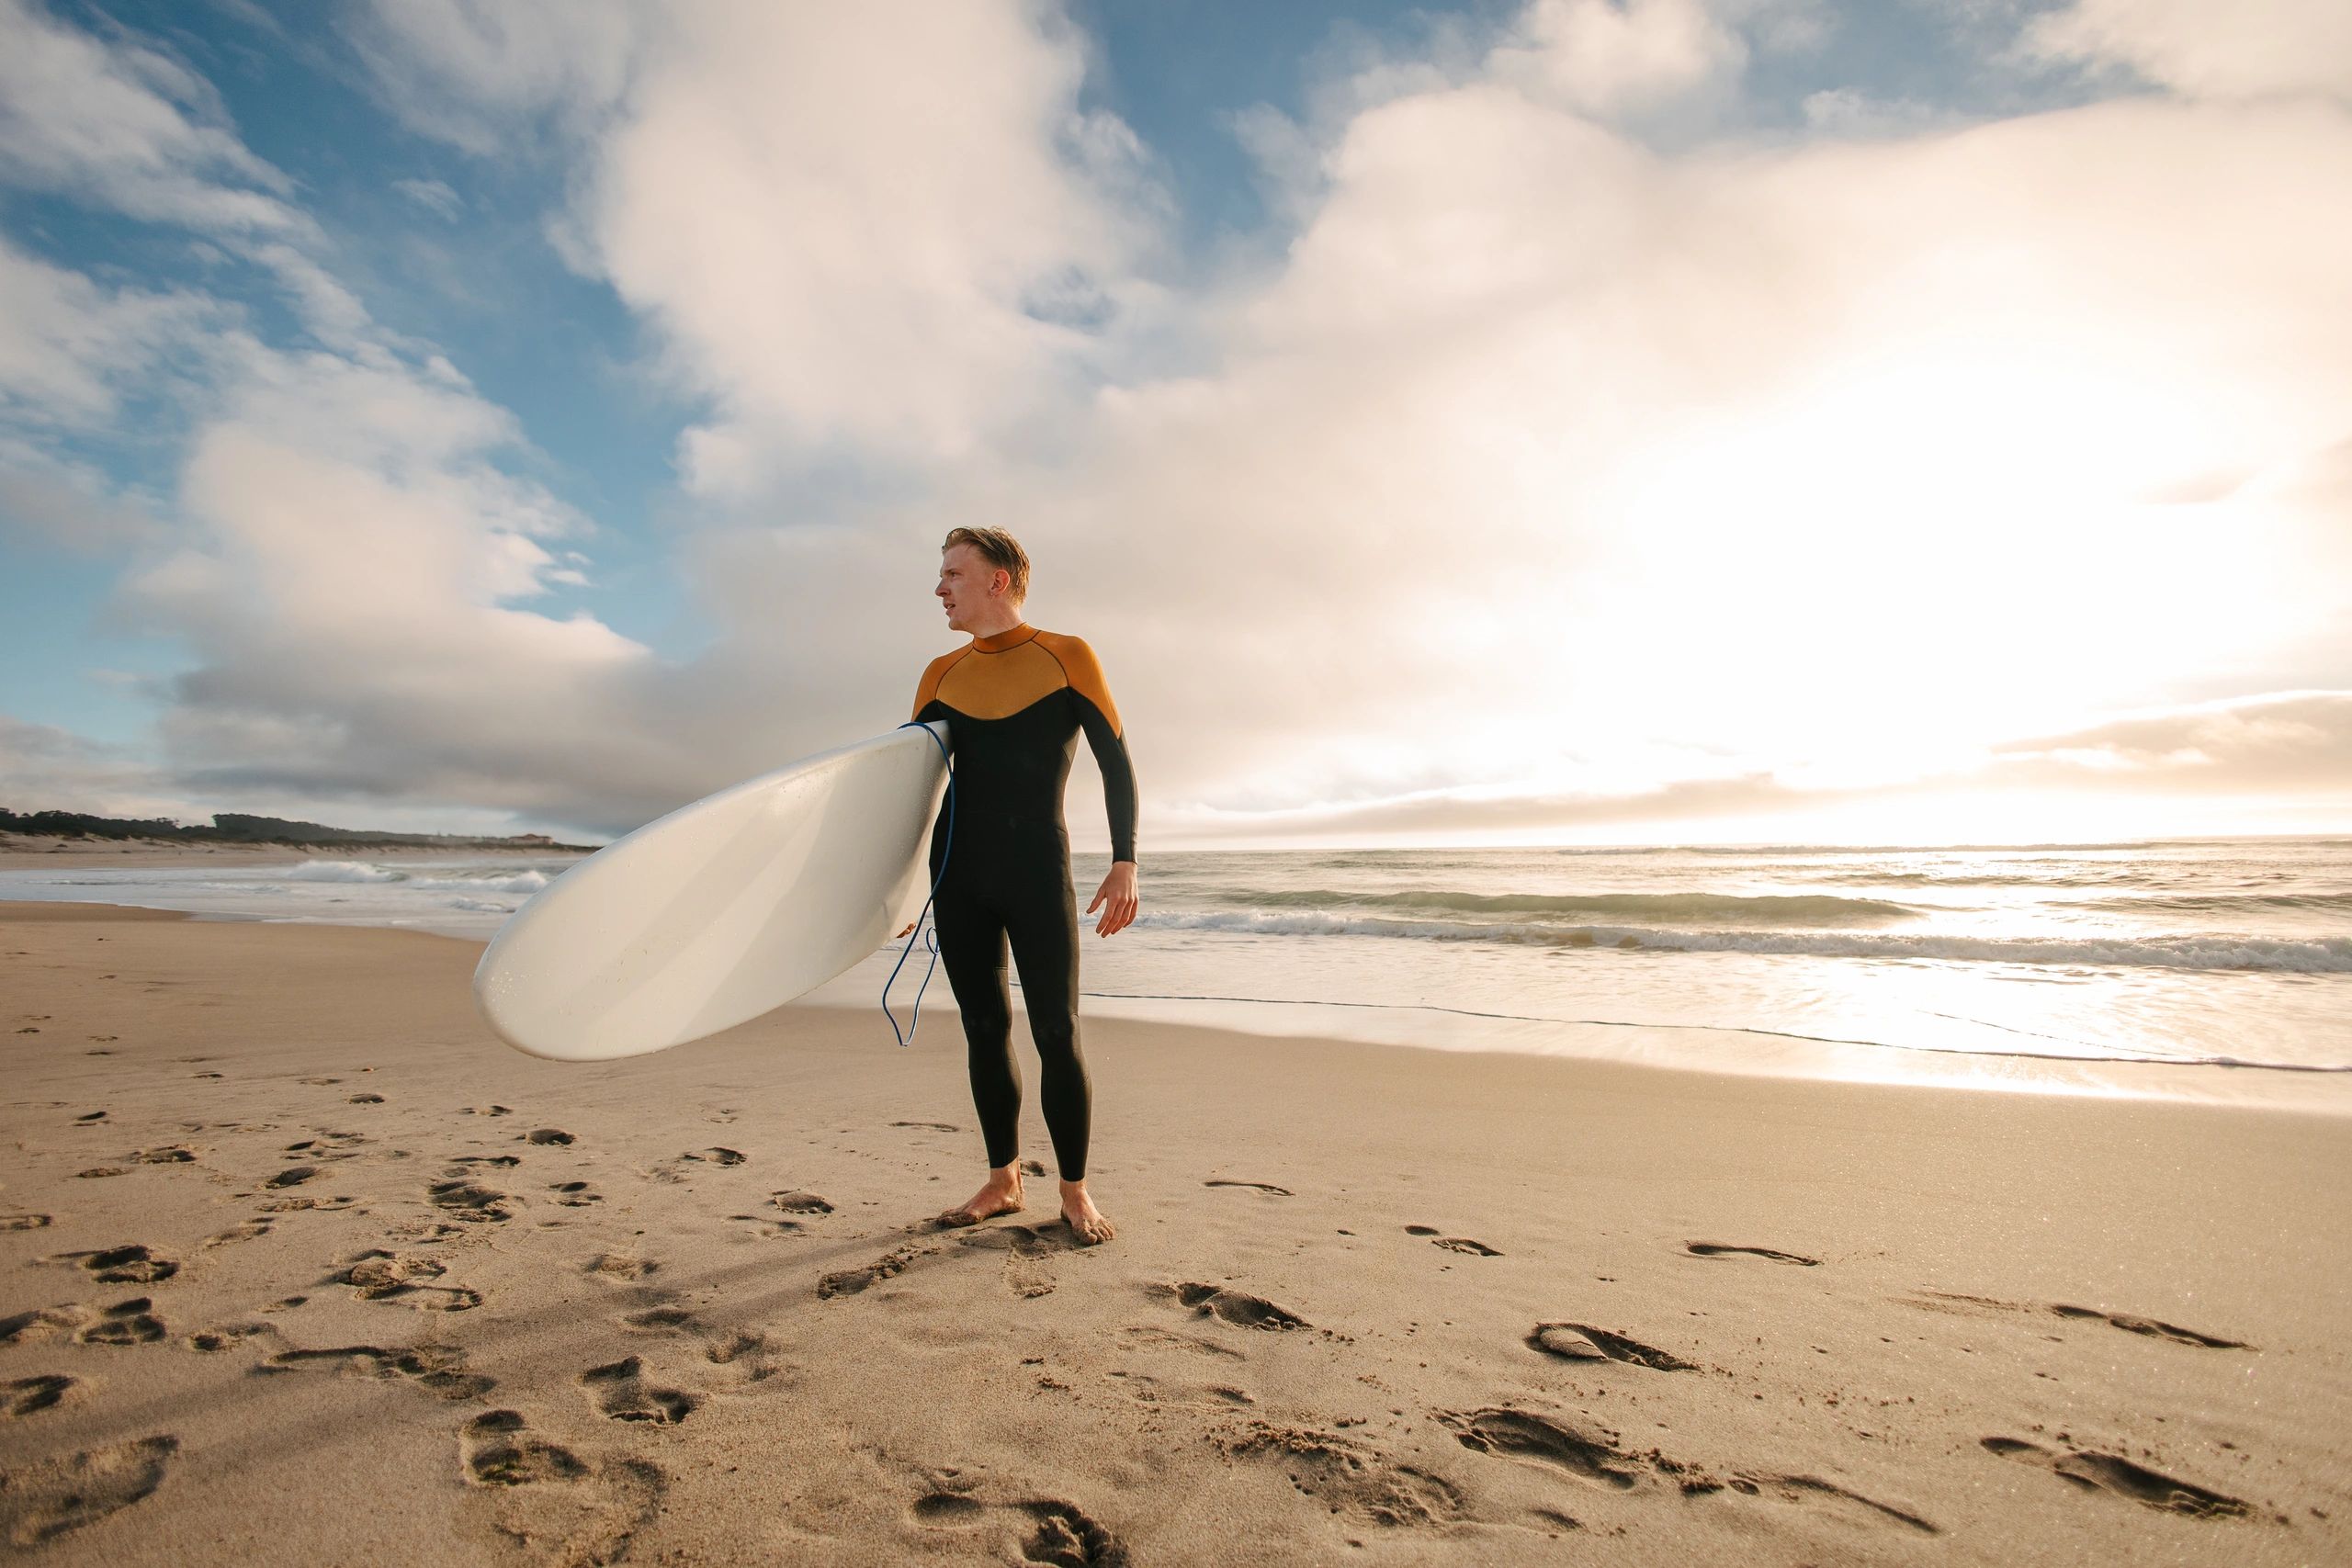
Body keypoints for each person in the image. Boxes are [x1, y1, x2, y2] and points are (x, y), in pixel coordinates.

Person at [905, 526, 1138, 1245]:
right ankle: (1004, 1178)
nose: (939, 587)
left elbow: (1115, 758)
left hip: (1037, 869)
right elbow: (906, 789)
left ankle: (1073, 1189)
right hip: (959, 872)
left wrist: (1125, 859)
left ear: (997, 580)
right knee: (983, 1029)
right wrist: (895, 889)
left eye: (952, 573)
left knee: (1056, 1031)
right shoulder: (940, 671)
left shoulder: (1067, 655)